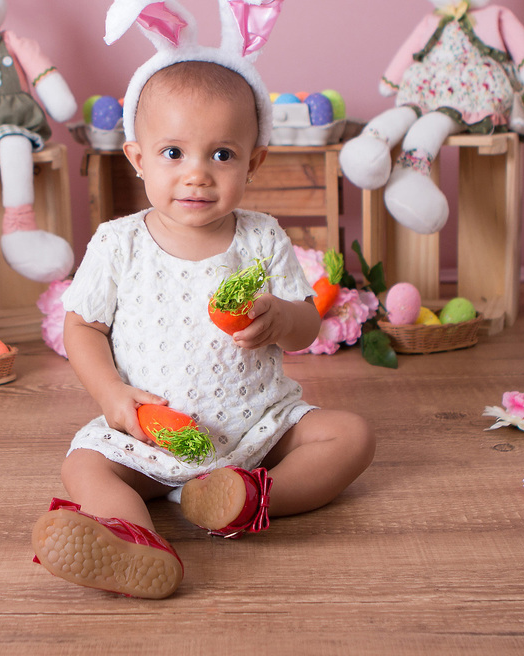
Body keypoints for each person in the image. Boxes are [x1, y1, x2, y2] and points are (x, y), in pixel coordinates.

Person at [31, 58, 376, 599]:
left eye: (222, 154)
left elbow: (306, 325)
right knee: (84, 466)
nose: (197, 173)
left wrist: (282, 317)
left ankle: (251, 500)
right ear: (137, 159)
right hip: (151, 435)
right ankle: (133, 545)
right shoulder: (117, 243)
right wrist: (112, 395)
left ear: (254, 162)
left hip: (261, 428)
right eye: (173, 153)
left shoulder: (261, 238)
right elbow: (82, 329)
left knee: (351, 436)